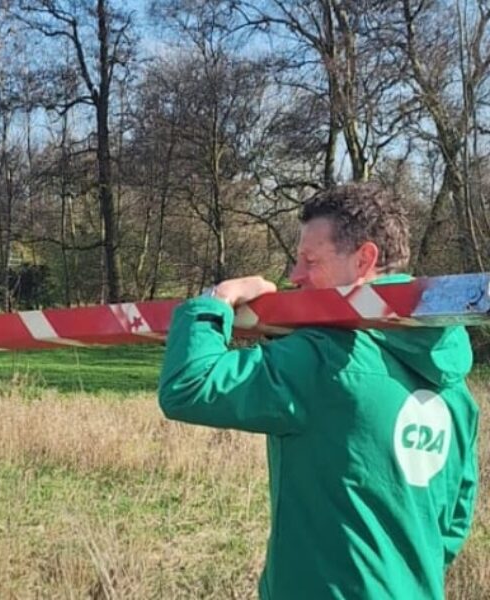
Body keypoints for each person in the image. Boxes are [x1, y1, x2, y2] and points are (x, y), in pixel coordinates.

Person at [157, 183, 478, 598]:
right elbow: (451, 528)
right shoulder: (457, 393)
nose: (294, 276)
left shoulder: (324, 359)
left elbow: (190, 384)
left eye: (310, 260)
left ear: (365, 259)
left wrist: (217, 300)